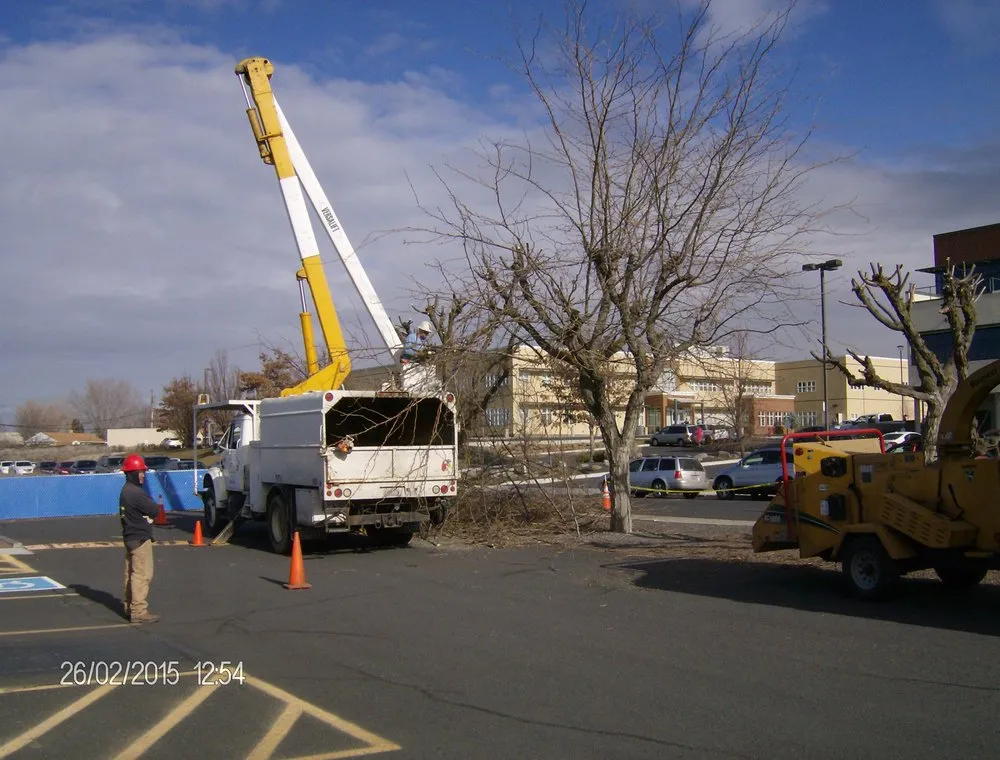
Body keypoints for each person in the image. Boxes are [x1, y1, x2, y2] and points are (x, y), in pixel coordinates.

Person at [119, 453, 160, 624]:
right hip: (139, 539)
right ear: (132, 473)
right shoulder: (136, 493)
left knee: (131, 574)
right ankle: (139, 610)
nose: (143, 475)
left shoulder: (125, 491)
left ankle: (130, 607)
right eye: (140, 472)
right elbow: (154, 510)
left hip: (130, 537)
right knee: (142, 575)